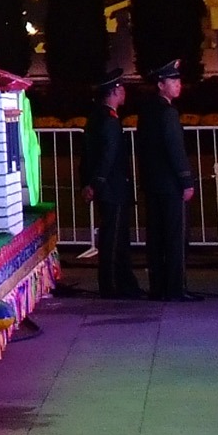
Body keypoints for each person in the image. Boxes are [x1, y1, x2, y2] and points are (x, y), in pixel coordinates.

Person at [136, 60, 198, 300]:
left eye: (178, 81)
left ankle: (158, 286)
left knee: (157, 237)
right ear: (161, 85)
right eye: (173, 81)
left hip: (153, 184)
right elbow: (175, 149)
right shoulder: (168, 112)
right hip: (171, 185)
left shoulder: (147, 111)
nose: (178, 85)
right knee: (175, 237)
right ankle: (175, 288)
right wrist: (186, 180)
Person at [80, 70, 137, 297]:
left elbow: (87, 156)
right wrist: (97, 183)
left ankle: (121, 283)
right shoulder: (110, 121)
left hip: (107, 187)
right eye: (121, 88)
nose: (124, 92)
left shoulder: (95, 118)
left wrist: (88, 183)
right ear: (113, 91)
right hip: (113, 188)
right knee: (114, 239)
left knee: (113, 236)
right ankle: (113, 284)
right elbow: (107, 156)